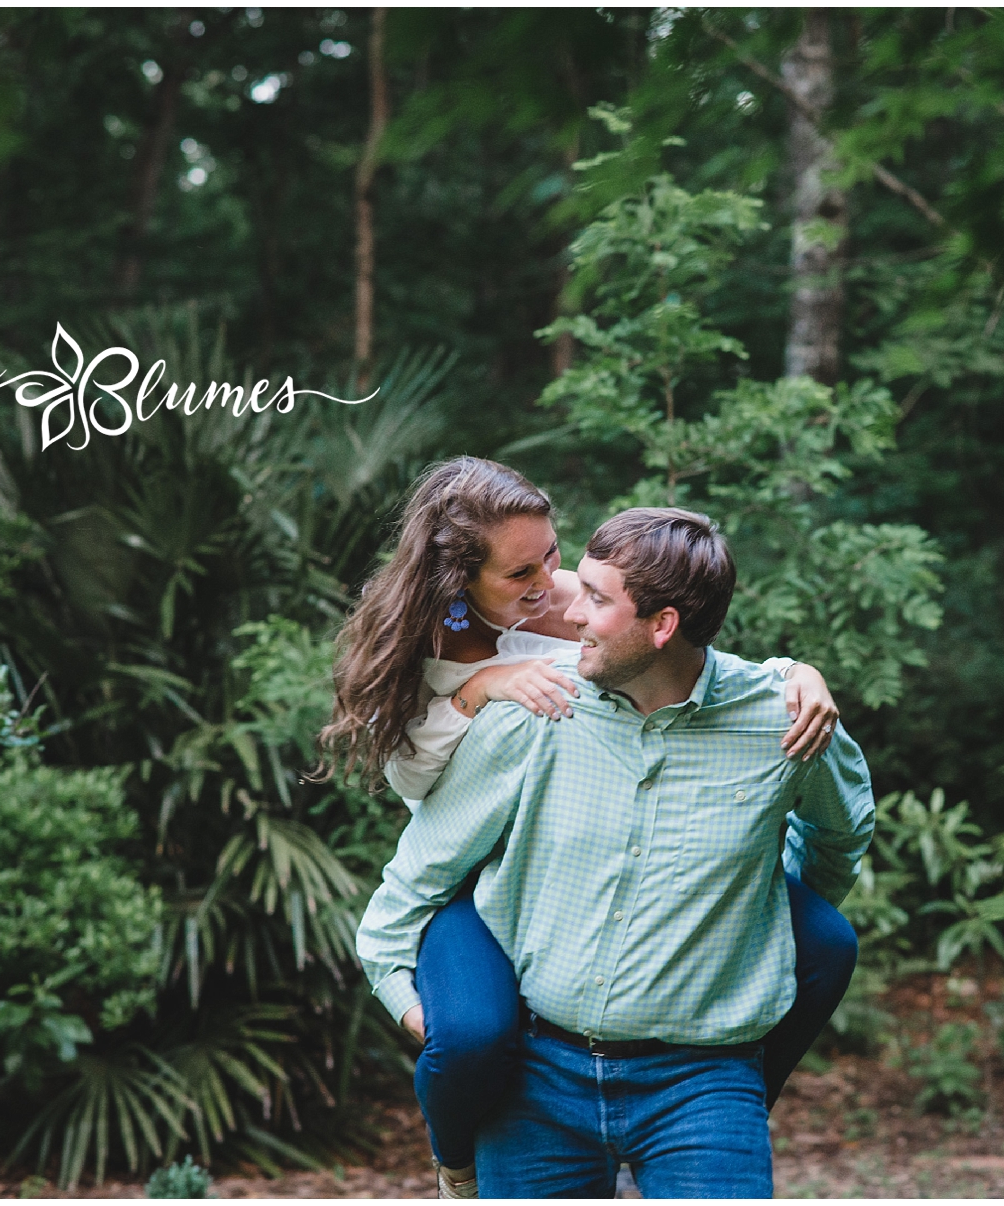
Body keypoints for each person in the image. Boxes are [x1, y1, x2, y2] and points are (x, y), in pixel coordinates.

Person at [321, 459, 859, 1197]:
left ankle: (725, 1091)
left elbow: (834, 822)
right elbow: (417, 819)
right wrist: (483, 689)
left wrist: (792, 673)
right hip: (526, 998)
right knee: (474, 1032)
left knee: (829, 938)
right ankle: (455, 1161)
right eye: (525, 573)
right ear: (463, 583)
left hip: (701, 1073)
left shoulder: (776, 720)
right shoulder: (488, 681)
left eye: (561, 565)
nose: (560, 598)